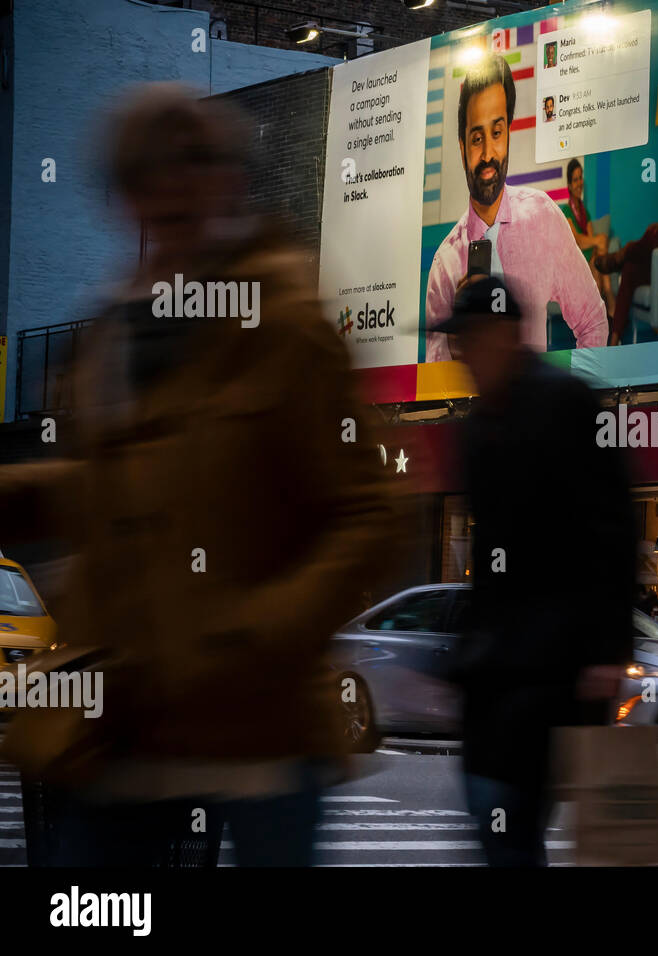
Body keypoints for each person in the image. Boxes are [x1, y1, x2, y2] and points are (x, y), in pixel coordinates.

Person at [0, 84, 400, 866]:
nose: (171, 188)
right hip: (121, 736)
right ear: (124, 196)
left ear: (230, 181)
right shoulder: (112, 333)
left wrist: (257, 632)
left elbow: (368, 514)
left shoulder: (287, 324)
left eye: (195, 166)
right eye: (146, 174)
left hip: (264, 745)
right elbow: (92, 492)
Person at [435, 275, 636, 867]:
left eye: (468, 339)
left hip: (552, 669)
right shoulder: (476, 428)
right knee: (496, 817)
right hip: (496, 670)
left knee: (508, 823)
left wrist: (606, 652)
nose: (458, 354)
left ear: (501, 335)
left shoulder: (565, 403)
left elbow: (614, 527)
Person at [425, 54, 607, 363]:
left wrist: (568, 402)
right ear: (461, 145)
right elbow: (438, 377)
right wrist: (460, 337)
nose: (487, 154)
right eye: (476, 138)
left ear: (508, 133)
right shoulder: (444, 266)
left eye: (496, 133)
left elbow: (592, 322)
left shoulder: (543, 218)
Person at [592, 219, 658, 346]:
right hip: (656, 270)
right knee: (629, 268)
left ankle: (618, 258)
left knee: (653, 234)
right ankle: (614, 338)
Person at [560, 158, 615, 323]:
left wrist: (596, 243)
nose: (579, 183)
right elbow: (577, 241)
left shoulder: (586, 212)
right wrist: (597, 241)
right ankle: (610, 300)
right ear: (569, 185)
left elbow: (590, 238)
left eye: (580, 178)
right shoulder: (565, 210)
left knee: (598, 269)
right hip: (574, 260)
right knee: (601, 242)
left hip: (589, 258)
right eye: (575, 179)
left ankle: (598, 321)